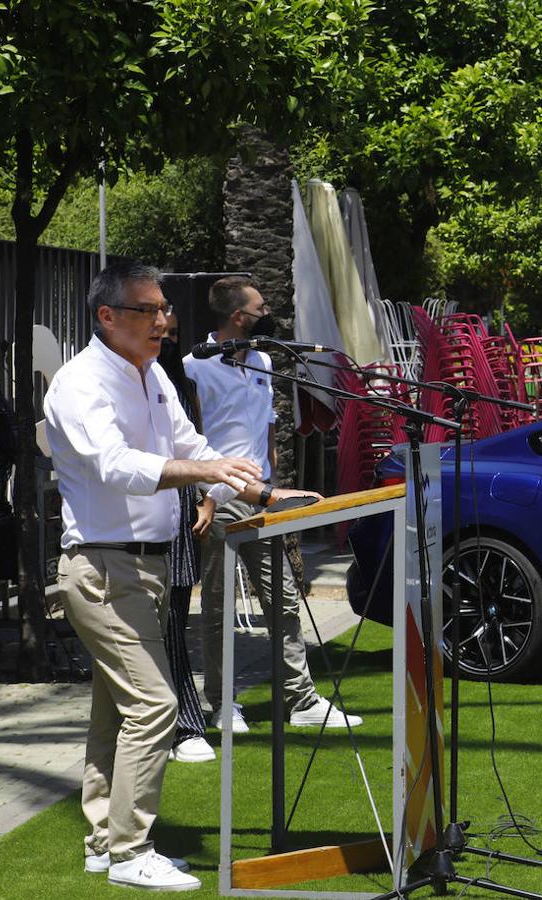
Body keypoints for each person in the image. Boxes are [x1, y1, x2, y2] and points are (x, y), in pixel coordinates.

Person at [44, 261, 275, 890]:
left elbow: (191, 444)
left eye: (166, 310)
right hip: (100, 567)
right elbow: (113, 466)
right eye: (150, 311)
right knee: (154, 705)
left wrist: (250, 483)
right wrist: (206, 474)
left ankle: (102, 840)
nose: (165, 323)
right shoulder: (79, 383)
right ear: (108, 316)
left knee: (113, 712)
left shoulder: (152, 377)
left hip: (145, 567)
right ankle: (129, 851)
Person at [186, 276, 361, 733]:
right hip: (217, 500)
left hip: (263, 497)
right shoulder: (193, 367)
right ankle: (223, 704)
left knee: (283, 601)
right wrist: (205, 495)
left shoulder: (263, 360)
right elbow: (191, 438)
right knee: (220, 607)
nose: (269, 312)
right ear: (239, 316)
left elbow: (266, 431)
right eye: (260, 307)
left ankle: (301, 701)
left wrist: (273, 483)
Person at [156, 313, 217, 763]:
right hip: (139, 522)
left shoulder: (182, 387)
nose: (167, 340)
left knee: (176, 620)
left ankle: (186, 725)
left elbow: (195, 444)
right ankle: (174, 724)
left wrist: (208, 498)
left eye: (175, 334)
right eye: (163, 333)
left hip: (179, 516)